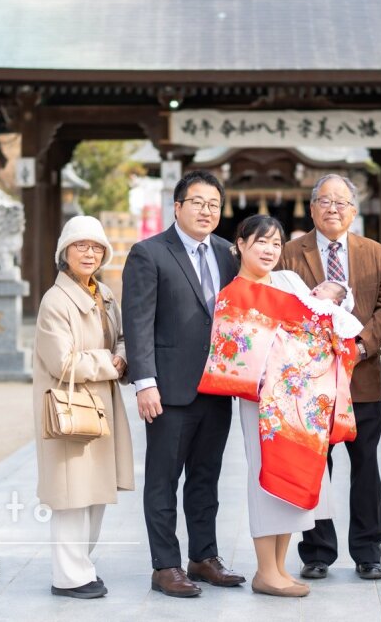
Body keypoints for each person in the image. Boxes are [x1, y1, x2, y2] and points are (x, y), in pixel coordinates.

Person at [198, 215, 362, 597]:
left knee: (296, 478)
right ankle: (264, 570)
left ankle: (280, 568)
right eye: (261, 242)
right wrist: (287, 356)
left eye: (276, 243)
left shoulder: (289, 281)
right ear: (240, 244)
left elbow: (324, 323)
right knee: (266, 481)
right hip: (263, 404)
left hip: (302, 403)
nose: (271, 250)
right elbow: (234, 354)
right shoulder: (233, 294)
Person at [122, 170, 244, 598]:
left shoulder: (230, 254)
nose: (207, 211)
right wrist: (145, 383)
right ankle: (165, 565)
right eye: (198, 202)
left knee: (206, 478)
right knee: (163, 479)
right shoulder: (149, 253)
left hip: (217, 386)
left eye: (214, 204)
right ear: (177, 207)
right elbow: (137, 322)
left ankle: (204, 556)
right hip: (169, 390)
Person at [278, 174, 381, 581]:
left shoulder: (376, 253)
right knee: (315, 466)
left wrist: (362, 345)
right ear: (311, 208)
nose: (333, 208)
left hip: (360, 378)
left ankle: (368, 551)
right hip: (309, 385)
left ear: (354, 210)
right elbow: (282, 306)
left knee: (366, 465)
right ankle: (316, 551)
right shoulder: (290, 253)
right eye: (324, 201)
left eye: (342, 202)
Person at [31, 215, 134, 599]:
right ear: (65, 252)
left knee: (94, 493)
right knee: (71, 495)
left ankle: (81, 568)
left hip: (99, 404)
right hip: (68, 406)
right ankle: (68, 577)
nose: (89, 253)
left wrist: (120, 357)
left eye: (96, 247)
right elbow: (63, 362)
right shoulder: (54, 301)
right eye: (81, 246)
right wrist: (112, 362)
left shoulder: (104, 295)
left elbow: (122, 338)